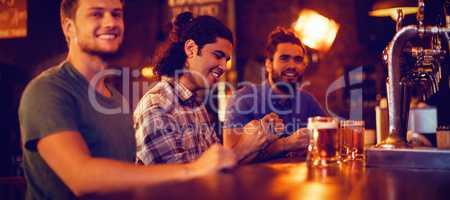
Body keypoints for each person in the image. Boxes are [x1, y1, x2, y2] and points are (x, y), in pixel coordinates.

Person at [18, 1, 236, 199]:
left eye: (117, 14)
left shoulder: (118, 102)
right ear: (69, 28)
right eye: (96, 14)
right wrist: (193, 169)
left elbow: (131, 174)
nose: (110, 22)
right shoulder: (47, 90)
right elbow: (81, 178)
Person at [134, 12, 281, 165]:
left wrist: (259, 138)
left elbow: (216, 166)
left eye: (226, 59)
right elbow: (181, 184)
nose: (224, 66)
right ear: (191, 49)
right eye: (218, 56)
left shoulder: (195, 104)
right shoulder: (157, 106)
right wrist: (244, 146)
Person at [224, 27, 326, 160]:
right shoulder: (242, 99)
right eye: (284, 58)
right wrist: (285, 144)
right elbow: (231, 158)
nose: (292, 66)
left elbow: (328, 138)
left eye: (298, 60)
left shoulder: (307, 100)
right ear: (268, 65)